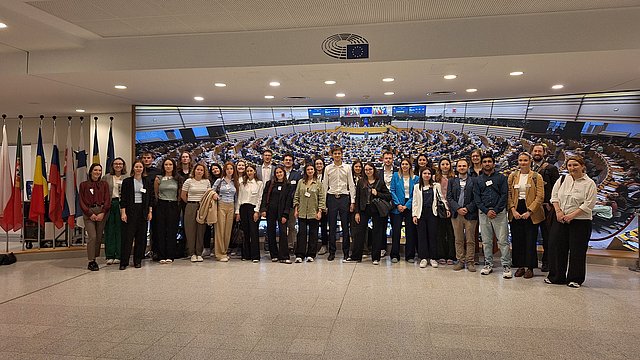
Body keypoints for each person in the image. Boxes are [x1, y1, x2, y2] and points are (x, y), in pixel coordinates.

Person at [546, 155, 597, 288]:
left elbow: (588, 204)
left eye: (575, 165)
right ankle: (556, 277)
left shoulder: (589, 183)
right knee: (557, 248)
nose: (572, 168)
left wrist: (571, 216)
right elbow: (554, 196)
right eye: (569, 165)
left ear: (582, 166)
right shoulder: (562, 179)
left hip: (580, 222)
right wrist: (558, 212)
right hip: (560, 219)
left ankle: (575, 279)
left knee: (577, 251)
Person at [473, 154, 512, 278]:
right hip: (484, 213)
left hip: (499, 213)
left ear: (493, 164)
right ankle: (488, 264)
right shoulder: (478, 180)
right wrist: (486, 210)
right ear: (482, 164)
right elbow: (477, 198)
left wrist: (495, 210)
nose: (487, 163)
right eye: (485, 161)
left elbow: (504, 195)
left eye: (489, 161)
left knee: (503, 241)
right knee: (486, 241)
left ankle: (506, 266)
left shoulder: (501, 178)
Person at [508, 152, 545, 279]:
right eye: (520, 160)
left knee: (530, 240)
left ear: (530, 161)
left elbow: (540, 196)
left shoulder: (536, 176)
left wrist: (529, 211)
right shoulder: (513, 176)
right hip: (516, 210)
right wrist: (513, 210)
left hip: (531, 212)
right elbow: (509, 194)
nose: (522, 163)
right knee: (517, 240)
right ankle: (520, 266)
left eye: (525, 160)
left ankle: (530, 267)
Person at [352, 162, 392, 265]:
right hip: (363, 210)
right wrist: (357, 212)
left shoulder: (380, 182)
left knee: (377, 233)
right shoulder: (361, 182)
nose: (368, 171)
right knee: (359, 233)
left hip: (376, 210)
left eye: (370, 169)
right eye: (366, 170)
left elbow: (388, 196)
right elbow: (358, 198)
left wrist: (377, 193)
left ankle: (376, 257)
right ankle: (356, 256)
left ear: (374, 170)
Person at [322, 146, 356, 261]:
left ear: (342, 154)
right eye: (335, 153)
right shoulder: (327, 168)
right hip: (331, 198)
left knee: (346, 227)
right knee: (331, 227)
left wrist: (352, 201)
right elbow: (324, 186)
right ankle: (332, 252)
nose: (337, 155)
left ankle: (346, 252)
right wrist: (324, 203)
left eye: (338, 153)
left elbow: (351, 185)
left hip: (344, 198)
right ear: (332, 155)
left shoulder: (347, 168)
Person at [531, 143, 560, 272]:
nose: (537, 153)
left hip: (546, 208)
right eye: (535, 151)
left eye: (539, 151)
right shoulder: (527, 167)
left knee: (547, 237)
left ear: (544, 153)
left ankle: (547, 262)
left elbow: (556, 188)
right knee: (530, 236)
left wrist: (552, 204)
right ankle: (530, 261)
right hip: (531, 208)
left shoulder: (551, 168)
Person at [412, 167, 449, 268]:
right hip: (421, 213)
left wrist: (446, 209)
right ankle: (423, 258)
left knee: (433, 236)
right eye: (424, 173)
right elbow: (415, 202)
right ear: (421, 175)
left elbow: (441, 198)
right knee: (421, 236)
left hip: (433, 213)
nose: (427, 175)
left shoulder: (436, 185)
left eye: (429, 173)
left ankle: (433, 258)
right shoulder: (416, 187)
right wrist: (414, 215)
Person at [119, 160, 152, 269]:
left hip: (142, 211)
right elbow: (123, 198)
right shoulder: (127, 182)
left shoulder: (146, 181)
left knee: (141, 237)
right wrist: (123, 212)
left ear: (143, 169)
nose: (138, 169)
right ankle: (124, 262)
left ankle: (137, 261)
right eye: (136, 167)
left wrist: (150, 212)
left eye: (140, 167)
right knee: (127, 238)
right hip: (130, 211)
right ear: (133, 168)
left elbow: (150, 198)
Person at [447, 158, 478, 272]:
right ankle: (460, 260)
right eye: (459, 166)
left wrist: (467, 208)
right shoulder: (452, 181)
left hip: (470, 214)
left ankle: (470, 261)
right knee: (458, 239)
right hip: (456, 214)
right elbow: (449, 197)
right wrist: (458, 208)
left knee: (470, 239)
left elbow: (477, 198)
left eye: (464, 166)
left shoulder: (474, 181)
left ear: (467, 167)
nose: (462, 168)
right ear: (457, 168)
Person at [79, 163, 111, 271]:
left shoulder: (104, 184)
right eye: (95, 170)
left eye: (99, 170)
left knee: (98, 237)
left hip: (102, 212)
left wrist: (103, 212)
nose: (97, 172)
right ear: (91, 171)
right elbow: (81, 201)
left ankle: (95, 258)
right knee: (92, 237)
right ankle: (91, 261)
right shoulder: (83, 185)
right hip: (89, 213)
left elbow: (107, 199)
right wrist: (90, 214)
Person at [293, 163, 326, 263]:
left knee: (313, 234)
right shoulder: (300, 182)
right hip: (302, 212)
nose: (310, 171)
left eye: (312, 169)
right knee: (301, 234)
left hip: (314, 212)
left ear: (314, 170)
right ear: (305, 171)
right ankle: (300, 254)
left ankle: (311, 254)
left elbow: (321, 198)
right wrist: (296, 209)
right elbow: (296, 196)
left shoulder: (318, 183)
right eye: (308, 170)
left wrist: (320, 211)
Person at [389, 157, 418, 263]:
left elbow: (416, 193)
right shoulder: (396, 176)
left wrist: (407, 205)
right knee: (396, 231)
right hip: (398, 206)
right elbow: (392, 190)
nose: (404, 166)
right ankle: (394, 254)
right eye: (403, 164)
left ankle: (410, 255)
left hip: (409, 206)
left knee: (410, 232)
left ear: (410, 166)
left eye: (407, 164)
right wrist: (398, 204)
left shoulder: (415, 178)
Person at [181, 163, 211, 263]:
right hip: (190, 206)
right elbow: (183, 195)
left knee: (201, 230)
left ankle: (199, 253)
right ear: (194, 170)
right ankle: (192, 253)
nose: (199, 171)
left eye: (201, 170)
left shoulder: (206, 182)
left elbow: (208, 195)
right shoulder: (188, 181)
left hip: (202, 207)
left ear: (204, 172)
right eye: (198, 169)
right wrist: (191, 202)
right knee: (190, 230)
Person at [261, 165, 291, 262]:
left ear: (284, 173)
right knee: (271, 232)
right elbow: (265, 197)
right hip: (270, 211)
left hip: (282, 212)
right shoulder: (270, 184)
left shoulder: (288, 185)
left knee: (283, 233)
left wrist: (285, 214)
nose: (279, 174)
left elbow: (288, 201)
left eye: (280, 172)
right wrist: (264, 209)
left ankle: (284, 256)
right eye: (277, 173)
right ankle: (274, 254)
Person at [154, 158, 182, 264]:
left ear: (173, 166)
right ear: (163, 166)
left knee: (172, 231)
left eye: (170, 164)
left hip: (173, 205)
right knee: (160, 230)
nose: (168, 166)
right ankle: (161, 255)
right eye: (166, 164)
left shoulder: (177, 178)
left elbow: (179, 194)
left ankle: (170, 254)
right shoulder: (159, 178)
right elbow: (156, 194)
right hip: (161, 205)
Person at [102, 157, 128, 266]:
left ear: (123, 165)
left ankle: (119, 255)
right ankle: (109, 255)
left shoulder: (127, 178)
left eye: (120, 164)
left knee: (120, 230)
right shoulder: (106, 177)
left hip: (121, 205)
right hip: (109, 204)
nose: (118, 165)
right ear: (112, 165)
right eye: (116, 164)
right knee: (109, 230)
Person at [236, 164, 263, 263]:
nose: (249, 172)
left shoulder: (259, 183)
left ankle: (255, 256)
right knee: (245, 232)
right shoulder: (242, 183)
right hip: (243, 208)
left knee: (253, 232)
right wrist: (237, 211)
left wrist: (257, 211)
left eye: (251, 171)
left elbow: (260, 198)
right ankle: (246, 254)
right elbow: (239, 197)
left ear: (255, 171)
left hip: (253, 209)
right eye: (247, 171)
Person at [212, 162, 238, 262]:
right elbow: (212, 190)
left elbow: (236, 197)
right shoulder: (219, 181)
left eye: (231, 168)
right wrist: (215, 195)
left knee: (227, 230)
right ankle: (219, 253)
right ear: (224, 170)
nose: (229, 170)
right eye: (227, 169)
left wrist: (236, 210)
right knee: (220, 230)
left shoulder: (234, 182)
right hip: (221, 205)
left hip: (231, 206)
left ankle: (224, 251)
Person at [435, 157, 456, 265]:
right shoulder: (435, 178)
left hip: (452, 208)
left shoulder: (454, 178)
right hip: (440, 208)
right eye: (442, 164)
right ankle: (441, 255)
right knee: (440, 233)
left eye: (447, 164)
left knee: (451, 233)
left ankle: (451, 256)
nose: (445, 166)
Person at [378, 150, 396, 258]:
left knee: (396, 227)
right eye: (386, 158)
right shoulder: (378, 172)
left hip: (395, 202)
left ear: (392, 159)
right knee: (382, 227)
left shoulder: (398, 172)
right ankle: (382, 248)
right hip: (383, 202)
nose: (388, 160)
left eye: (390, 158)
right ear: (383, 159)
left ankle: (395, 250)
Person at [283, 153, 302, 253]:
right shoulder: (279, 172)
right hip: (280, 205)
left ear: (293, 162)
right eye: (286, 159)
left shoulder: (297, 174)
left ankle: (290, 246)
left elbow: (298, 190)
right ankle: (282, 246)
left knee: (291, 226)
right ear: (283, 161)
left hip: (291, 205)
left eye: (290, 160)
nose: (288, 161)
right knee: (282, 226)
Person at [203, 163, 223, 257]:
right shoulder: (209, 181)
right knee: (208, 226)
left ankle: (217, 247)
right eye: (213, 169)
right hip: (211, 206)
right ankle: (206, 247)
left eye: (216, 168)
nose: (215, 170)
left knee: (219, 228)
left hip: (223, 205)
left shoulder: (225, 179)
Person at [314, 156, 329, 255]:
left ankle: (324, 245)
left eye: (320, 164)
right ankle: (313, 245)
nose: (319, 166)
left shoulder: (327, 175)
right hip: (313, 204)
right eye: (317, 164)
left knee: (324, 225)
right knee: (313, 225)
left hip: (325, 204)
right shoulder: (311, 175)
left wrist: (325, 205)